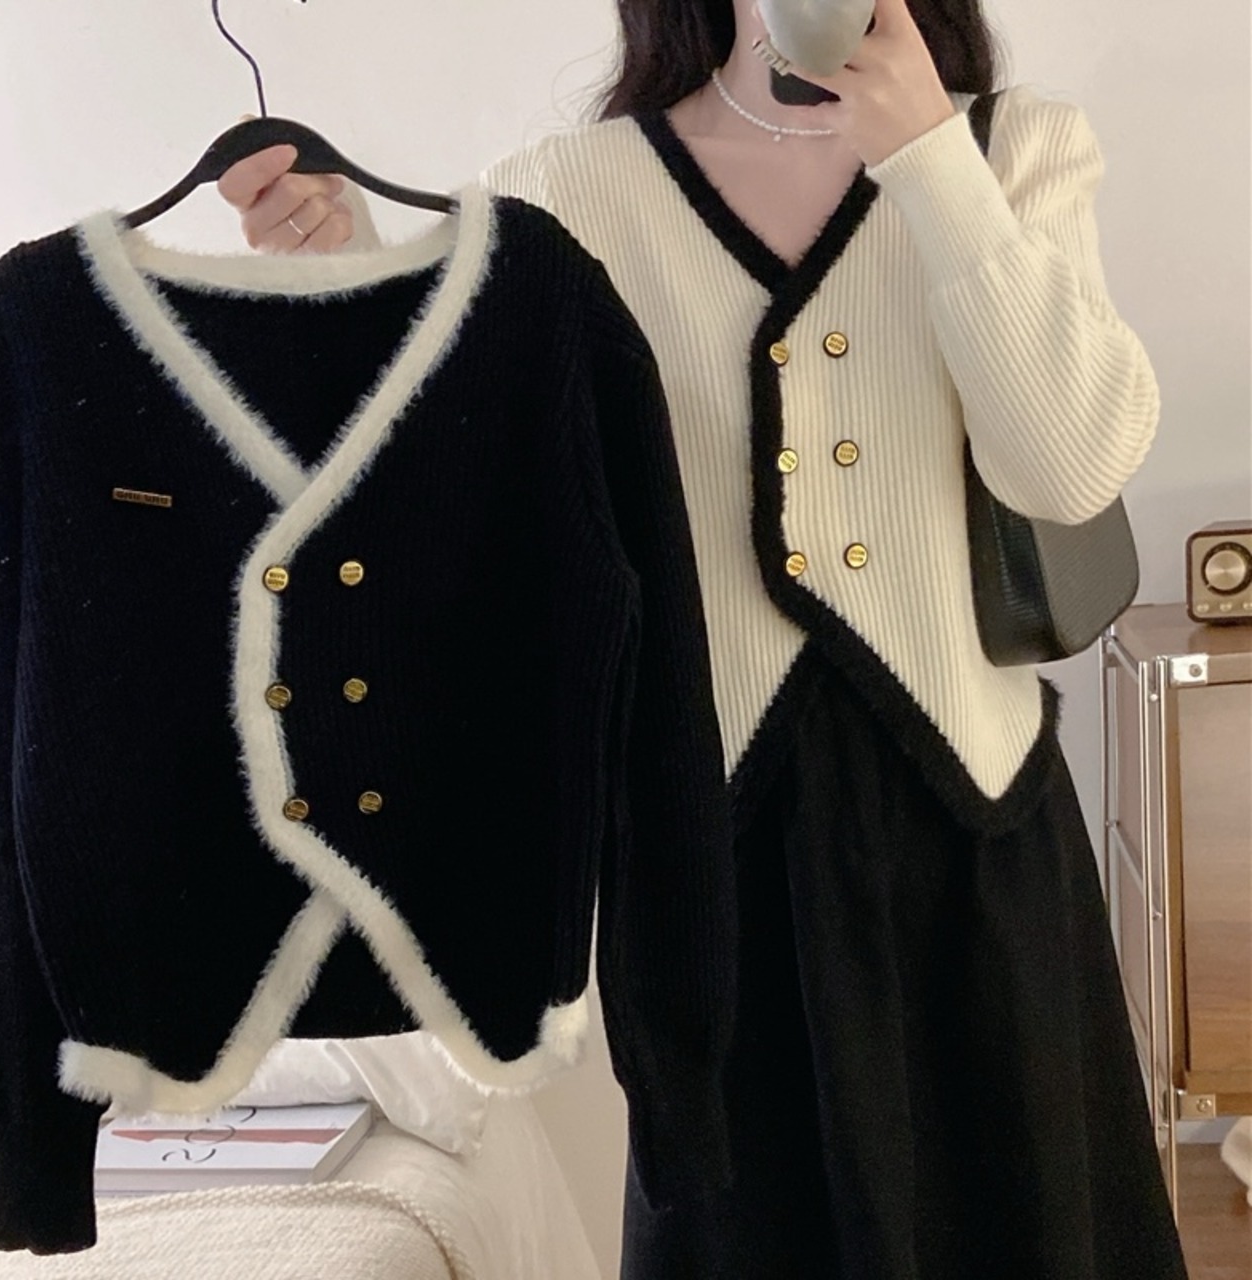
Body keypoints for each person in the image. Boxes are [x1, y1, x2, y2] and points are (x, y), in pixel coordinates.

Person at [218, 1, 1188, 1276]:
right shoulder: (567, 191)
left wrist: (929, 160)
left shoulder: (1016, 147)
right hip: (710, 858)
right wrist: (351, 277)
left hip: (974, 837)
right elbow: (464, 530)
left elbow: (1067, 465)